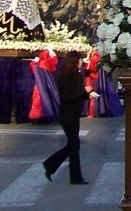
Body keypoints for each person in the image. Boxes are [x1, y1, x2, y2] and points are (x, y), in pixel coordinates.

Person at [43, 50, 96, 184]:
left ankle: (59, 169)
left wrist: (87, 95)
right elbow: (67, 96)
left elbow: (77, 94)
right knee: (74, 145)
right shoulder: (67, 76)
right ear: (74, 61)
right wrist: (84, 91)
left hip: (74, 113)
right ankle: (53, 165)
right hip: (67, 114)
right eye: (79, 60)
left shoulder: (77, 75)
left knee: (73, 146)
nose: (81, 62)